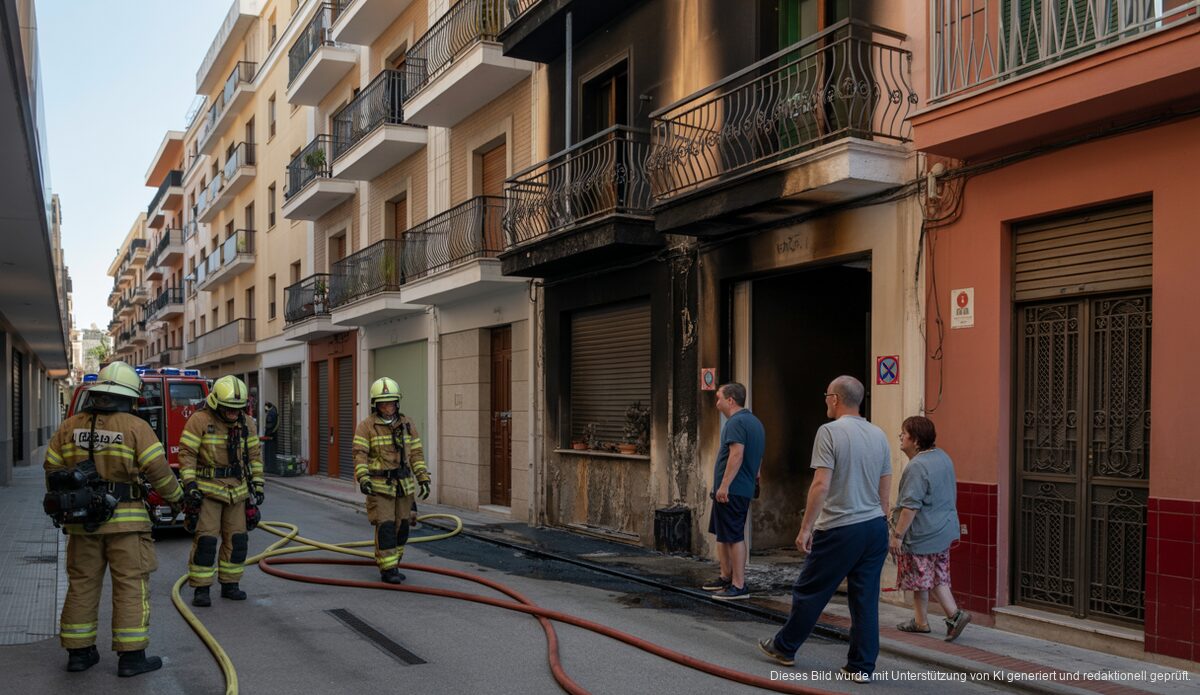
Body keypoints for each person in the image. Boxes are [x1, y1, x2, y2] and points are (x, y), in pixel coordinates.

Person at [43, 361, 184, 677]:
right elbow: (159, 473)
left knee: (81, 584)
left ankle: (79, 654)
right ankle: (131, 659)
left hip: (82, 524)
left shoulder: (69, 427)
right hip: (127, 525)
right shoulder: (136, 427)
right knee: (131, 586)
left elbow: (51, 471)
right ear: (129, 397)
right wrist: (177, 499)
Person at [757, 375, 891, 683]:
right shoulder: (879, 434)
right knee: (865, 599)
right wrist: (882, 521)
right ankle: (860, 667)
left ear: (835, 399)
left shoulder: (829, 432)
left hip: (841, 526)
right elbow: (886, 484)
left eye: (826, 395)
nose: (825, 401)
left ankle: (784, 647)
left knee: (810, 591)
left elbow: (820, 484)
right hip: (873, 527)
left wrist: (806, 528)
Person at [179, 375, 264, 607]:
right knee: (206, 541)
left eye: (238, 409)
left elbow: (254, 456)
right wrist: (190, 485)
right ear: (216, 402)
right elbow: (187, 454)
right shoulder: (199, 420)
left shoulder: (247, 423)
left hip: (237, 491)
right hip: (209, 492)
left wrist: (258, 484)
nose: (233, 413)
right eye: (228, 408)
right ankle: (201, 588)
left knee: (237, 541)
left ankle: (230, 584)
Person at [891, 415, 970, 641]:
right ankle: (920, 621)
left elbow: (909, 507)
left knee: (926, 577)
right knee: (935, 576)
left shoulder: (917, 467)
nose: (900, 437)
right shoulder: (943, 457)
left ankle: (954, 615)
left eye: (903, 433)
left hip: (923, 533)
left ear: (915, 440)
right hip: (943, 530)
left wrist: (897, 536)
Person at [353, 377, 431, 584]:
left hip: (404, 486)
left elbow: (416, 453)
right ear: (375, 405)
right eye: (383, 403)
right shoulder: (366, 426)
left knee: (403, 527)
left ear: (397, 403)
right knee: (386, 527)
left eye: (391, 402)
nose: (388, 407)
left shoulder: (407, 424)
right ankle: (387, 569)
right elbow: (359, 454)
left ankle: (395, 563)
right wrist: (363, 478)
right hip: (380, 487)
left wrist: (423, 477)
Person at [701, 382, 764, 600]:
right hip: (739, 487)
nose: (716, 402)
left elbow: (737, 454)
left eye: (718, 398)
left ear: (730, 400)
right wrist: (756, 475)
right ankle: (725, 576)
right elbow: (757, 457)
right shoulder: (754, 422)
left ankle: (738, 585)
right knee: (724, 533)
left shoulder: (735, 423)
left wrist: (725, 485)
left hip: (732, 490)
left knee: (734, 536)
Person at [261, 402, 279, 474]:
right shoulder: (275, 411)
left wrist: (267, 435)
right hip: (273, 436)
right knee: (271, 452)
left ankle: (269, 468)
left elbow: (269, 425)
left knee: (269, 452)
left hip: (270, 437)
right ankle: (271, 467)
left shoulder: (271, 413)